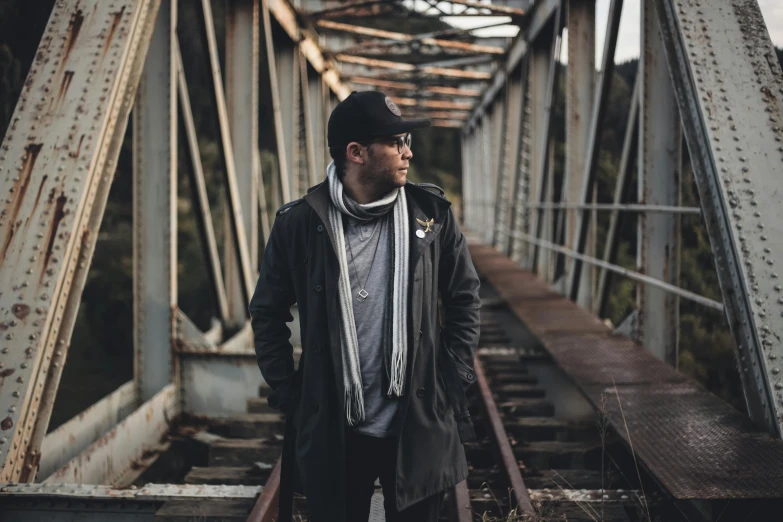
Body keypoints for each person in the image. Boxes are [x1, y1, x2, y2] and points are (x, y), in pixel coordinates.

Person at [249, 90, 481, 522]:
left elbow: (465, 298)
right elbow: (266, 312)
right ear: (356, 152)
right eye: (395, 142)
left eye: (407, 141)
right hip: (335, 431)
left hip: (415, 423)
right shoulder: (299, 224)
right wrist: (290, 393)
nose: (408, 152)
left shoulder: (431, 216)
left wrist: (453, 379)